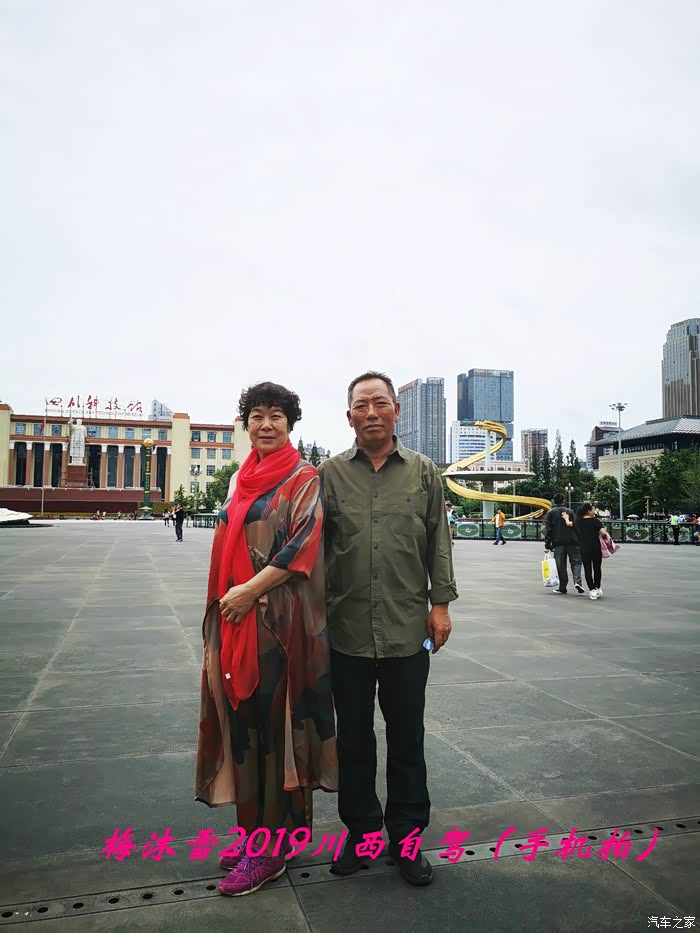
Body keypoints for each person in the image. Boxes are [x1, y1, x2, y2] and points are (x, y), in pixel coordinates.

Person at [195, 382, 337, 898]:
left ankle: (273, 849)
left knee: (276, 732)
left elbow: (302, 547)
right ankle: (256, 834)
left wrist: (248, 591)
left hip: (279, 626)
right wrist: (232, 600)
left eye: (277, 415)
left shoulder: (303, 478)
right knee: (244, 728)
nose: (266, 424)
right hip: (237, 621)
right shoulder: (241, 480)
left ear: (291, 424)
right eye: (257, 415)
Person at [319, 371, 457, 888]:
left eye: (381, 403)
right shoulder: (329, 474)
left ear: (397, 411)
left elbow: (438, 541)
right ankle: (363, 834)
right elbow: (313, 549)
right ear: (349, 416)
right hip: (346, 630)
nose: (371, 412)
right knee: (353, 741)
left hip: (406, 629)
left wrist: (440, 606)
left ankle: (407, 836)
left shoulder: (423, 472)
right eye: (362, 405)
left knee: (407, 739)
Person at [543, 492, 584, 595]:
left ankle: (562, 587)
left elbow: (548, 530)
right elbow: (577, 526)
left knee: (560, 566)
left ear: (554, 501)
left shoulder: (551, 513)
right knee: (576, 562)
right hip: (572, 542)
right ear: (564, 501)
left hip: (558, 543)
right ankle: (577, 581)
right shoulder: (570, 512)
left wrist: (547, 545)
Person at [572, 502, 607, 599]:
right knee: (597, 568)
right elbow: (603, 533)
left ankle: (592, 589)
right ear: (588, 511)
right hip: (596, 548)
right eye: (593, 510)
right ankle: (597, 587)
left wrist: (566, 519)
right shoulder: (595, 521)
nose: (594, 511)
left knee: (587, 569)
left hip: (584, 548)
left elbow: (570, 524)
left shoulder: (578, 521)